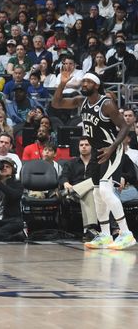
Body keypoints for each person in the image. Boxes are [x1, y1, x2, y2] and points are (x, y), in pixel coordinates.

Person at [51, 72, 136, 250]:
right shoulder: (81, 101)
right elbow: (56, 103)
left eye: (88, 81)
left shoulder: (106, 104)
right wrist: (62, 84)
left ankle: (126, 234)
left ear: (96, 85)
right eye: (83, 81)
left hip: (111, 150)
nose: (84, 83)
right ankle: (105, 235)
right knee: (97, 194)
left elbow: (125, 127)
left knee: (105, 191)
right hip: (97, 151)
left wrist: (112, 148)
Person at [59, 136, 99, 241]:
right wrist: (66, 183)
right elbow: (63, 176)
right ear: (78, 147)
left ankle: (74, 192)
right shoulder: (71, 163)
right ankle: (90, 229)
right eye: (81, 145)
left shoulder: (98, 163)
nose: (84, 147)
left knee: (91, 186)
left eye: (86, 145)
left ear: (91, 147)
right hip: (77, 193)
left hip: (94, 192)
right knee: (88, 192)